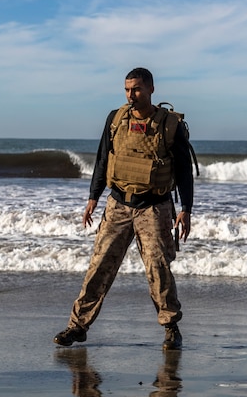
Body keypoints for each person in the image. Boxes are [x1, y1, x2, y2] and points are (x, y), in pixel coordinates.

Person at [54, 68, 195, 350]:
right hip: (118, 203)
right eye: (127, 89)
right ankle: (77, 327)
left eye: (137, 89)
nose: (131, 95)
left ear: (152, 89)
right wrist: (93, 197)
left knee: (159, 269)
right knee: (99, 266)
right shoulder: (116, 119)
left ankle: (171, 328)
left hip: (154, 208)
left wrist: (185, 209)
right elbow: (103, 157)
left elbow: (183, 170)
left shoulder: (169, 124)